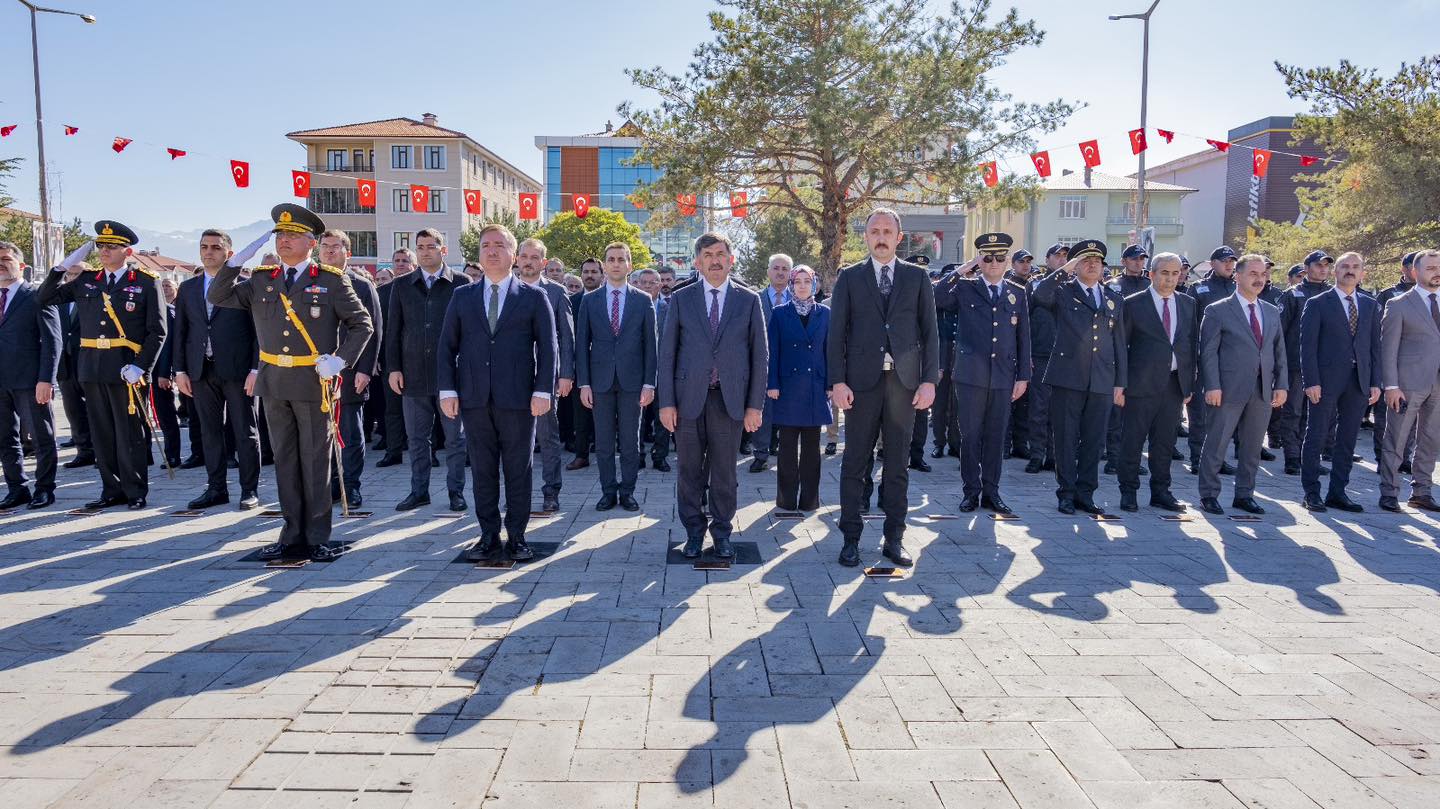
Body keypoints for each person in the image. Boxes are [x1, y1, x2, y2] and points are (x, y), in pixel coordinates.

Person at [209, 204, 373, 561]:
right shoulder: (261, 279)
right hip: (275, 382)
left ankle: (316, 536)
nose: (284, 241)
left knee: (315, 462)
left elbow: (362, 324)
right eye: (280, 235)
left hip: (314, 383)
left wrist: (341, 360)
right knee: (284, 461)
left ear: (310, 243)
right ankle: (291, 533)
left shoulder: (330, 279)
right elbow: (217, 295)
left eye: (293, 236)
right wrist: (236, 262)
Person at [827, 209, 939, 567]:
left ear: (899, 237)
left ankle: (894, 539)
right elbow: (836, 335)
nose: (881, 236)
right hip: (860, 386)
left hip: (904, 385)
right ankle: (850, 539)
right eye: (874, 230)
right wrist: (837, 381)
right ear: (865, 236)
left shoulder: (917, 277)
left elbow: (930, 332)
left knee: (897, 466)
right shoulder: (849, 277)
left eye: (887, 231)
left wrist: (929, 380)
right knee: (854, 463)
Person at [438, 224, 556, 562]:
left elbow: (549, 348)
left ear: (514, 255)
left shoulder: (534, 297)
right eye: (486, 245)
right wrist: (447, 389)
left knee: (518, 469)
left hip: (519, 400)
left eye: (500, 245)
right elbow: (447, 347)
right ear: (479, 253)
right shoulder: (463, 296)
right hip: (474, 399)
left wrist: (542, 391)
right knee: (483, 470)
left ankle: (517, 536)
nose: (492, 251)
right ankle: (488, 535)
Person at [37, 222, 166, 510]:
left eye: (111, 247)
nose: (104, 251)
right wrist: (60, 268)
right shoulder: (87, 280)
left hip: (125, 366)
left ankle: (135, 491)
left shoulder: (144, 281)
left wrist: (141, 367)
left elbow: (157, 331)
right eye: (101, 247)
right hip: (92, 366)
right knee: (102, 431)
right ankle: (111, 490)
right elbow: (45, 297)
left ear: (127, 251)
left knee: (129, 432)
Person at [658, 232, 767, 559]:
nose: (715, 260)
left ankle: (722, 532)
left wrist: (754, 405)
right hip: (688, 400)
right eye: (708, 255)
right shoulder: (681, 298)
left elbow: (760, 356)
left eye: (721, 254)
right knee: (688, 472)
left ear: (730, 259)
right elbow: (667, 355)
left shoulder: (749, 300)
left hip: (729, 401)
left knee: (725, 473)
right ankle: (693, 532)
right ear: (697, 262)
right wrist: (666, 402)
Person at [1030, 240, 1126, 515]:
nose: (1093, 264)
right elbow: (1040, 296)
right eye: (1085, 260)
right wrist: (1065, 268)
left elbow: (1119, 343)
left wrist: (1121, 382)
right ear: (1075, 266)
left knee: (1094, 440)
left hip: (1101, 378)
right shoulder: (1062, 292)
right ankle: (1066, 493)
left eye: (1097, 260)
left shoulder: (1112, 298)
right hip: (1068, 377)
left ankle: (1086, 493)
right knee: (1066, 438)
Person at [940, 233, 1030, 515]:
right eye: (987, 258)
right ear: (980, 260)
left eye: (999, 258)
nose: (993, 263)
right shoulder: (965, 288)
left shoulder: (1018, 292)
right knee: (971, 436)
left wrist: (1023, 376)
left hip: (1003, 377)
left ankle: (992, 492)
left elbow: (1023, 338)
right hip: (970, 376)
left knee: (996, 437)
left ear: (1007, 261)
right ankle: (971, 492)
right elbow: (937, 296)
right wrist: (964, 268)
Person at [172, 229, 261, 511]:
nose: (208, 252)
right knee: (209, 431)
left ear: (229, 254)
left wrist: (255, 369)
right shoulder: (188, 289)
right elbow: (181, 332)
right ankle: (216, 488)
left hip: (237, 370)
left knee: (244, 430)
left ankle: (249, 489)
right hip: (201, 369)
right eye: (204, 247)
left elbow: (259, 332)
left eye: (215, 247)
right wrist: (180, 370)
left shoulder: (246, 286)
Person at [1196, 254, 1287, 516]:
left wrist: (1281, 385)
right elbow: (1208, 352)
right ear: (1237, 276)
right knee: (1217, 443)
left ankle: (1244, 494)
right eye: (1253, 274)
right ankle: (1209, 494)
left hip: (1262, 391)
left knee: (1252, 447)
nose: (1259, 279)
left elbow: (1278, 351)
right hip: (1226, 390)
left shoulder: (1270, 311)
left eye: (1263, 274)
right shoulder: (1217, 310)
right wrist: (1212, 385)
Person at [388, 229, 470, 513]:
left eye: (431, 246)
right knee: (416, 438)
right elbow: (393, 331)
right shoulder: (401, 285)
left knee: (455, 439)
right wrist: (394, 368)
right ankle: (419, 491)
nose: (425, 251)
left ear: (443, 250)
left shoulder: (461, 283)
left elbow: (469, 333)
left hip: (450, 375)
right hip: (412, 374)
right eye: (420, 247)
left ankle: (456, 492)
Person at [1296, 251, 1380, 513]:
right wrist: (1311, 381)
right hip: (1325, 381)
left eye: (1356, 267)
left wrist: (1375, 382)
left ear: (1363, 273)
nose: (1350, 270)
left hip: (1358, 382)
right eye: (1345, 266)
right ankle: (1311, 492)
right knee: (1317, 435)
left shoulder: (1370, 304)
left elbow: (1374, 347)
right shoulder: (1319, 303)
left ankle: (1338, 492)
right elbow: (1307, 346)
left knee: (1347, 439)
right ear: (1336, 271)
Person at [576, 242, 657, 512]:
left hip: (633, 382)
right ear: (604, 265)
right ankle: (608, 491)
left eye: (621, 259)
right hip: (599, 381)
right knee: (603, 441)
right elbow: (581, 344)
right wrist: (584, 383)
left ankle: (628, 491)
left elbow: (651, 345)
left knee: (631, 441)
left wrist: (649, 383)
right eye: (611, 259)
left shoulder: (643, 300)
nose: (616, 263)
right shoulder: (590, 300)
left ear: (629, 265)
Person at [1117, 252, 1195, 513]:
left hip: (1173, 384)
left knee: (1164, 443)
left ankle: (1161, 492)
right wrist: (1120, 384)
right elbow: (1121, 347)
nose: (1170, 278)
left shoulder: (1187, 303)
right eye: (1165, 273)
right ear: (1151, 274)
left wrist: (1189, 383)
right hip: (1139, 385)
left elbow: (1189, 345)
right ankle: (1128, 491)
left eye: (1175, 273)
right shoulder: (1132, 303)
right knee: (1133, 440)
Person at [318, 231, 382, 509]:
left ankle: (351, 485)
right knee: (321, 435)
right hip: (316, 373)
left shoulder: (362, 286)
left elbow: (374, 330)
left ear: (348, 252)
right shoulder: (310, 281)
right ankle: (329, 484)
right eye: (324, 247)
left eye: (336, 247)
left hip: (350, 371)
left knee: (350, 434)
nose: (330, 252)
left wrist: (365, 370)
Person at [514, 238, 574, 512]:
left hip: (546, 377)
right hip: (511, 376)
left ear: (544, 262)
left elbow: (567, 338)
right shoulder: (504, 289)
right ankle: (516, 492)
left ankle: (552, 491)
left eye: (534, 257)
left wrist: (566, 374)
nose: (528, 261)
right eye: (524, 256)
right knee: (513, 438)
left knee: (548, 436)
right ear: (516, 259)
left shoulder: (558, 293)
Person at [0, 240, 61, 510]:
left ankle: (44, 488)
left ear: (22, 266)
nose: (1, 264)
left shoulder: (37, 296)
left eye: (6, 259)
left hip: (30, 380)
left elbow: (52, 341)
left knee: (41, 436)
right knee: (5, 438)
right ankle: (17, 488)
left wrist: (46, 379)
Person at [1378, 249, 1440, 513]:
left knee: (1431, 439)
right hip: (1406, 385)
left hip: (1438, 384)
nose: (1436, 272)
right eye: (1430, 268)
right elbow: (1388, 348)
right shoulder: (1399, 304)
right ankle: (1389, 492)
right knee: (1397, 438)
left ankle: (1422, 492)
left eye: (1439, 267)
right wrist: (1391, 386)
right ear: (1415, 272)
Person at [766, 265, 830, 511]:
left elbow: (830, 351)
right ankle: (786, 499)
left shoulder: (825, 313)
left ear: (814, 285)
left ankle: (809, 500)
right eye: (798, 281)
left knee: (812, 450)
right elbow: (773, 350)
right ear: (791, 285)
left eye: (807, 281)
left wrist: (831, 384)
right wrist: (772, 383)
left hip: (815, 387)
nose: (802, 285)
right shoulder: (780, 313)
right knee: (787, 450)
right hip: (788, 389)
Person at [1277, 250, 1334, 474]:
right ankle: (1292, 457)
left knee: (1317, 414)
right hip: (1296, 364)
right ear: (1306, 268)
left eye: (1326, 266)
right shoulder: (1293, 295)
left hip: (1324, 366)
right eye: (1318, 265)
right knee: (1293, 411)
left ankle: (1309, 457)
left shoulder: (1332, 294)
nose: (1323, 269)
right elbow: (1280, 332)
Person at [1186, 246, 1240, 475]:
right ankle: (1198, 457)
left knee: (1223, 414)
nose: (1229, 265)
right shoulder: (1198, 289)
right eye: (1224, 261)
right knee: (1199, 413)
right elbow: (1188, 326)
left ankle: (1218, 458)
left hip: (1229, 361)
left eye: (1232, 261)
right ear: (1213, 263)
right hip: (1202, 357)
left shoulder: (1238, 287)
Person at [1373, 251, 1420, 470]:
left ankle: (1404, 458)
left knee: (1414, 415)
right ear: (1405, 268)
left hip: (1418, 365)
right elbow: (1378, 329)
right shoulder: (1388, 294)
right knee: (1387, 413)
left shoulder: (1430, 294)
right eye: (1414, 266)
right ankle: (1383, 456)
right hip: (1392, 361)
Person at [1024, 243, 1067, 475]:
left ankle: (1053, 456)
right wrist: (1027, 352)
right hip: (1040, 354)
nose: (1061, 259)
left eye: (1065, 256)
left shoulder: (1073, 285)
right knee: (1039, 409)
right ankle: (1036, 454)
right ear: (1047, 259)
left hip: (1065, 357)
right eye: (1057, 256)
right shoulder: (1036, 283)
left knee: (1060, 410)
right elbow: (1026, 320)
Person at [750, 254, 793, 472]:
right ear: (768, 271)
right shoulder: (754, 299)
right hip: (762, 363)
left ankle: (786, 453)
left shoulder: (798, 299)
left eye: (785, 269)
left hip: (791, 366)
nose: (780, 272)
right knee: (763, 410)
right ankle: (760, 453)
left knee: (788, 410)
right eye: (776, 268)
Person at [375, 248, 417, 468]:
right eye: (397, 261)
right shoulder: (382, 292)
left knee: (422, 409)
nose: (400, 264)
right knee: (392, 408)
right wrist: (377, 358)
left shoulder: (420, 288)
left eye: (405, 261)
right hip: (390, 360)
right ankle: (394, 450)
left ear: (414, 265)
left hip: (418, 359)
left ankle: (429, 451)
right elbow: (377, 329)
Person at [56, 260, 95, 469]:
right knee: (73, 408)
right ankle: (84, 450)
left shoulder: (96, 297)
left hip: (89, 361)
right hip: (66, 362)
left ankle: (101, 450)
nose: (73, 278)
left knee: (96, 408)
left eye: (78, 274)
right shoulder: (61, 299)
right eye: (70, 274)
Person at [566, 257, 604, 471]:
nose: (589, 275)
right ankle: (581, 455)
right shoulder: (572, 301)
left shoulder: (609, 299)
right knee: (580, 415)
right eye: (586, 271)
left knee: (605, 414)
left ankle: (604, 452)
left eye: (594, 272)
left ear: (602, 274)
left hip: (606, 366)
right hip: (579, 368)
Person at [1005, 249, 1036, 460]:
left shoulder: (1034, 285)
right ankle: (1004, 443)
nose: (1025, 265)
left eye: (1028, 262)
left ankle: (1020, 443)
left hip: (1028, 348)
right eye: (1021, 262)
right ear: (1013, 264)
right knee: (1007, 401)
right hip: (1008, 350)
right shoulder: (1008, 286)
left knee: (1025, 403)